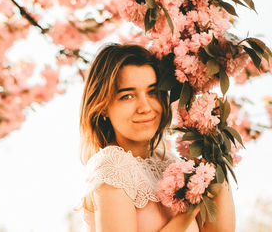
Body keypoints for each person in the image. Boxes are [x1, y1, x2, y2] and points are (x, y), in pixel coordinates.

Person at [79, 44, 235, 232]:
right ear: (103, 106)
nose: (145, 107)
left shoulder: (169, 164)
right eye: (127, 96)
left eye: (152, 92)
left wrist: (214, 156)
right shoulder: (112, 166)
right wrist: (188, 211)